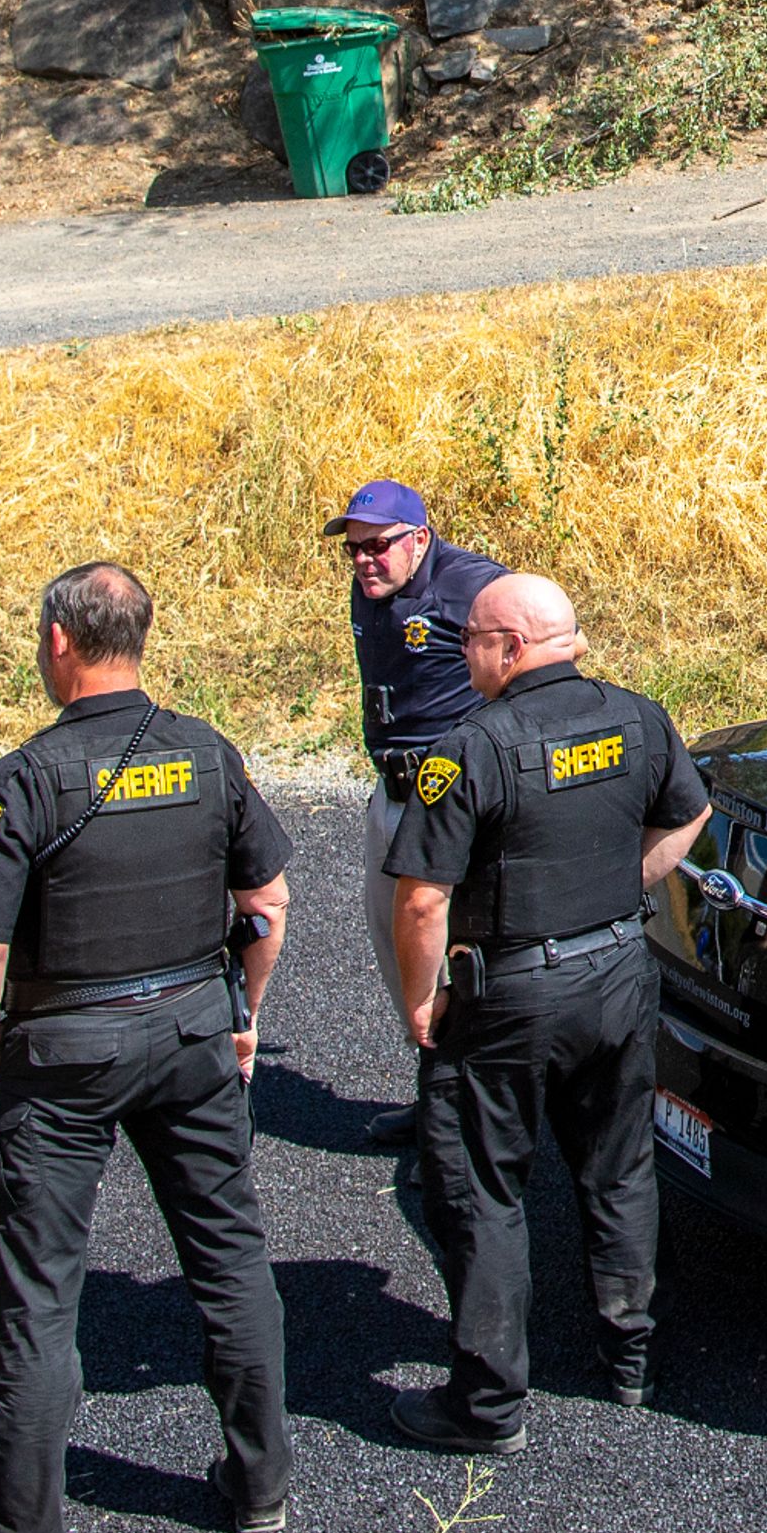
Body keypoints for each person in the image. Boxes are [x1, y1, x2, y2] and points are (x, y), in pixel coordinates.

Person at [0, 564, 295, 1533]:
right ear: (140, 634)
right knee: (229, 1252)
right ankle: (259, 1486)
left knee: (40, 1297)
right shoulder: (205, 751)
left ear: (56, 641)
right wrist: (242, 1013)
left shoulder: (21, 780)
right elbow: (264, 897)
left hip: (63, 1050)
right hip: (188, 1030)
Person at [383, 571, 707, 1449]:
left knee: (481, 1186)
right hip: (616, 974)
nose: (462, 653)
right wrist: (616, 891)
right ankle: (633, 1355)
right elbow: (691, 811)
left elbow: (420, 902)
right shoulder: (638, 715)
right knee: (619, 1164)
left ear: (514, 647)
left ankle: (486, 1403)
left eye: (472, 641)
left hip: (508, 996)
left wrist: (423, 998)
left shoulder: (472, 748)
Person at [335, 479, 505, 1146]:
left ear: (420, 538)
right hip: (390, 793)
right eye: (352, 550)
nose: (363, 561)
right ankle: (439, 1095)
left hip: (446, 804)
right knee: (400, 954)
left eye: (378, 545)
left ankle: (471, 1117)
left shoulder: (467, 584)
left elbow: (556, 639)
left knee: (454, 957)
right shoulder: (372, 585)